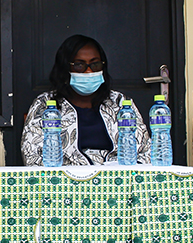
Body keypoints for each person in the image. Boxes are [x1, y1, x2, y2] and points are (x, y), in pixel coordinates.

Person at [21, 34, 151, 166]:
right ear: (65, 68)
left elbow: (145, 151)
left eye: (95, 64)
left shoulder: (120, 103)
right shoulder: (45, 105)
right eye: (79, 65)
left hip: (118, 180)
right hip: (67, 181)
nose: (89, 71)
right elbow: (32, 156)